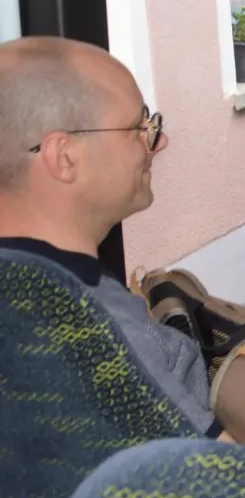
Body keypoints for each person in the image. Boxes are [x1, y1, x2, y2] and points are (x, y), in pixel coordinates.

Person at [0, 36, 222, 437]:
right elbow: (241, 487)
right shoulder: (99, 337)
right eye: (141, 127)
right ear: (63, 156)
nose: (160, 142)